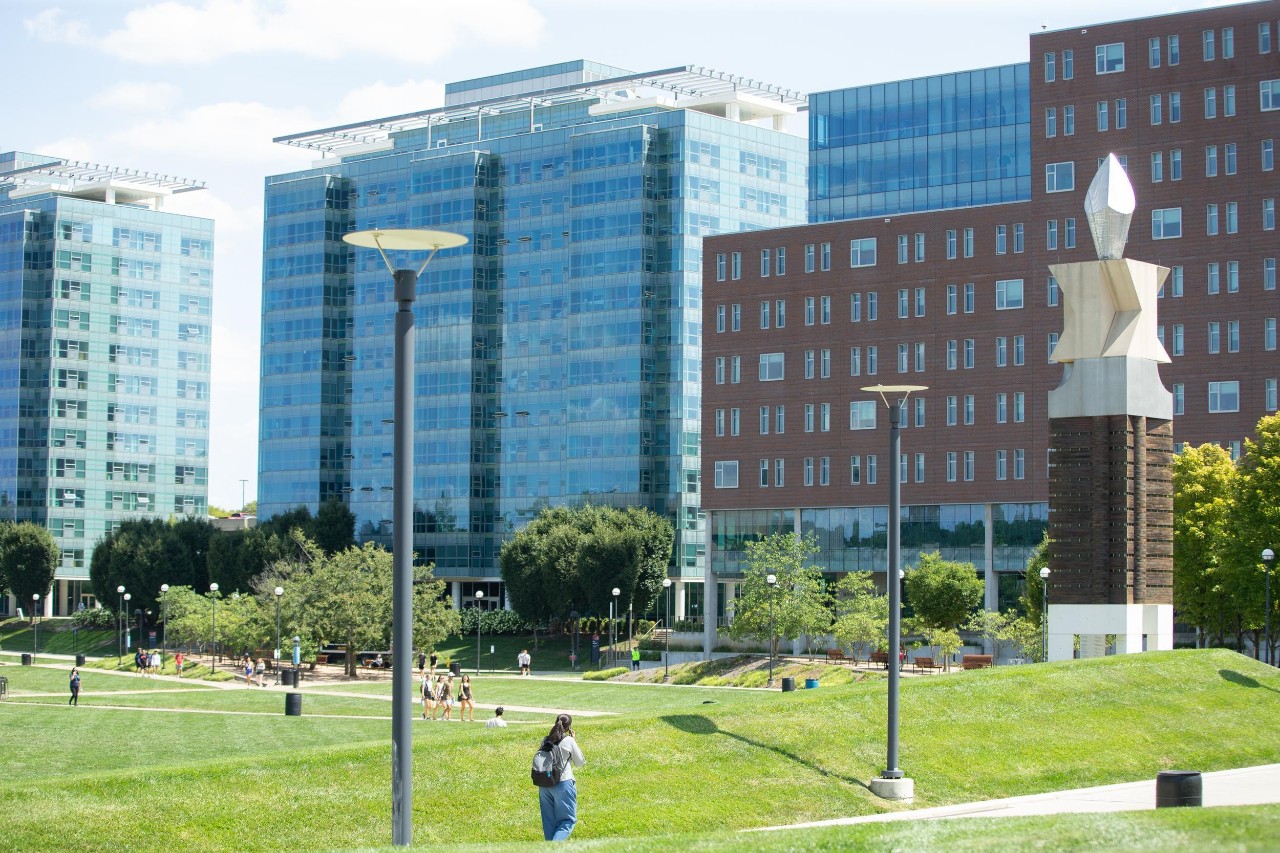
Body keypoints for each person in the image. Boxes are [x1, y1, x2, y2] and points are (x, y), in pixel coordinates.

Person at [538, 713, 586, 841]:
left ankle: (549, 847)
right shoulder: (569, 740)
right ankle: (554, 848)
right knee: (567, 821)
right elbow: (580, 763)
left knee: (549, 823)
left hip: (544, 784)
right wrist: (573, 740)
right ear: (569, 727)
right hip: (563, 783)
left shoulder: (545, 740)